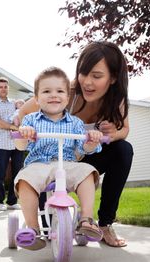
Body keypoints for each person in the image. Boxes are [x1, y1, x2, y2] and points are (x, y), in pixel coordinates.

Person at [17, 41, 133, 247]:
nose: (87, 82)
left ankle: (101, 223)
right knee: (46, 225)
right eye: (83, 73)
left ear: (113, 78)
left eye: (96, 76)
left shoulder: (116, 100)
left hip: (82, 155)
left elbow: (125, 129)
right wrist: (26, 131)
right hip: (46, 158)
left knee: (124, 149)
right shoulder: (64, 93)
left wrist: (112, 135)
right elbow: (23, 113)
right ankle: (32, 226)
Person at [13, 67, 104, 250]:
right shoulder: (31, 120)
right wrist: (23, 134)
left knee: (87, 172)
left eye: (60, 91)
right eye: (47, 91)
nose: (54, 95)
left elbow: (84, 148)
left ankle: (86, 219)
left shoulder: (76, 123)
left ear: (67, 98)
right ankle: (32, 228)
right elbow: (20, 146)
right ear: (37, 98)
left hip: (68, 164)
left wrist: (92, 141)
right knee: (24, 179)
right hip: (39, 164)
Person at [0, 77, 24, 211]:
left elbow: (22, 113)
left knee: (17, 172)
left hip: (17, 142)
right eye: (1, 87)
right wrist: (14, 127)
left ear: (8, 88)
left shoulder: (14, 103)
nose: (3, 89)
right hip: (2, 143)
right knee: (1, 173)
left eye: (5, 87)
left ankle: (12, 201)